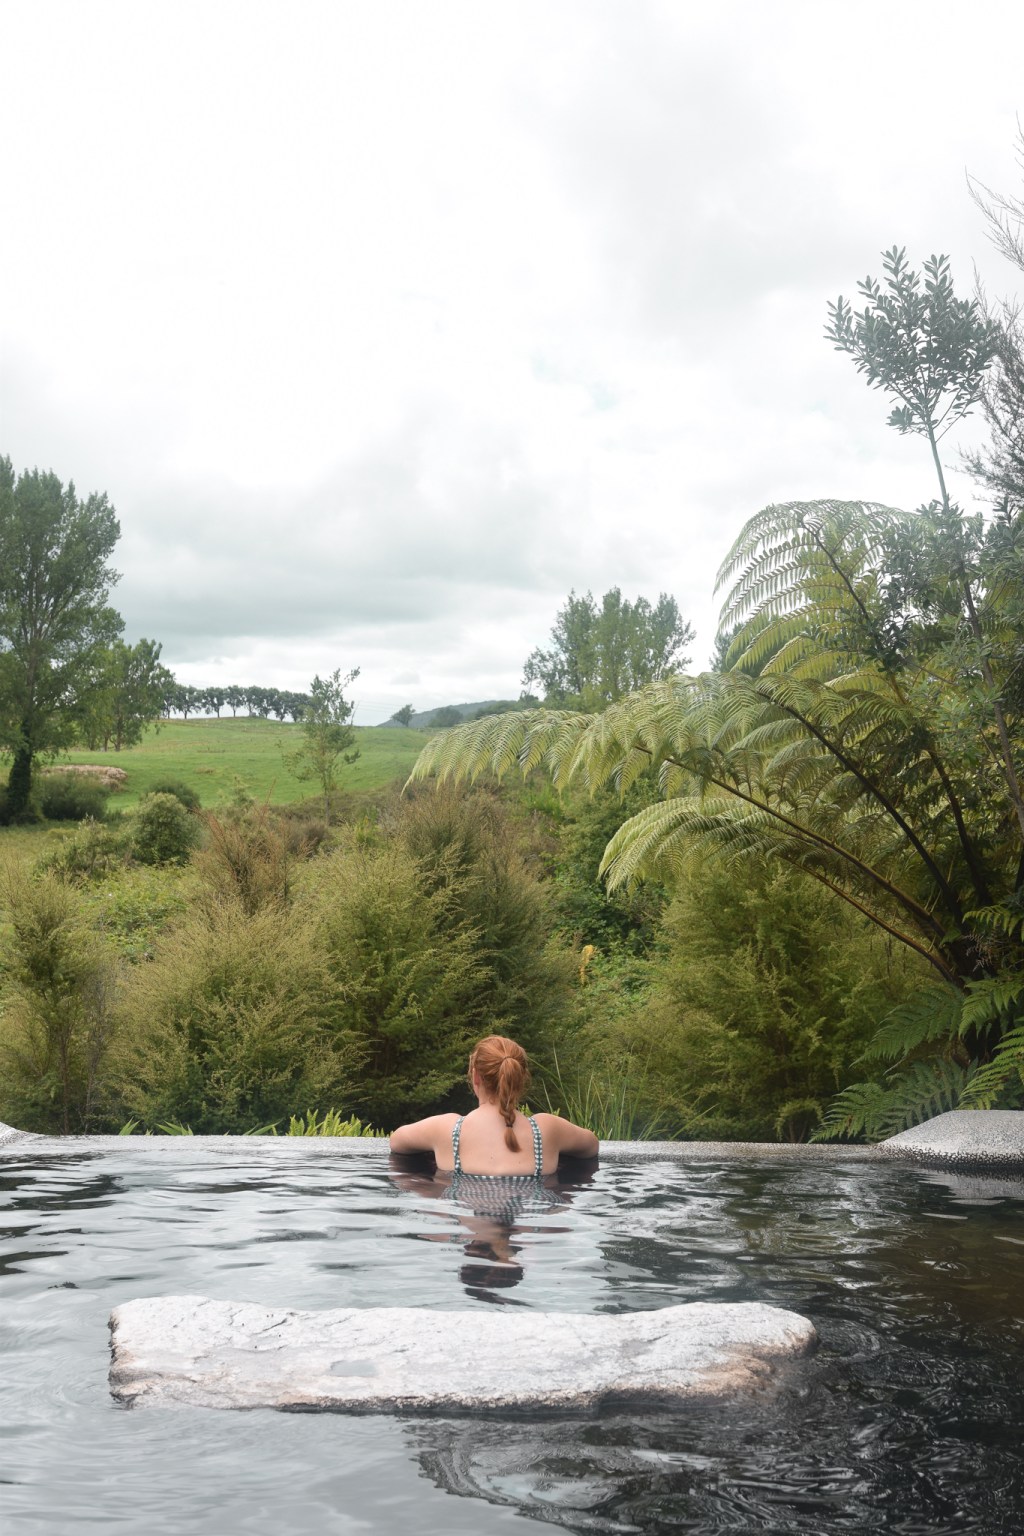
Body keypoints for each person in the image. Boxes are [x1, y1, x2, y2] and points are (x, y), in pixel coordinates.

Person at [389, 1033, 599, 1174]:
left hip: (465, 1215)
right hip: (531, 1225)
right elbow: (591, 1146)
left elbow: (397, 1142)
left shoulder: (446, 1129)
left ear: (475, 1077)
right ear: (520, 1077)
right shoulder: (548, 1130)